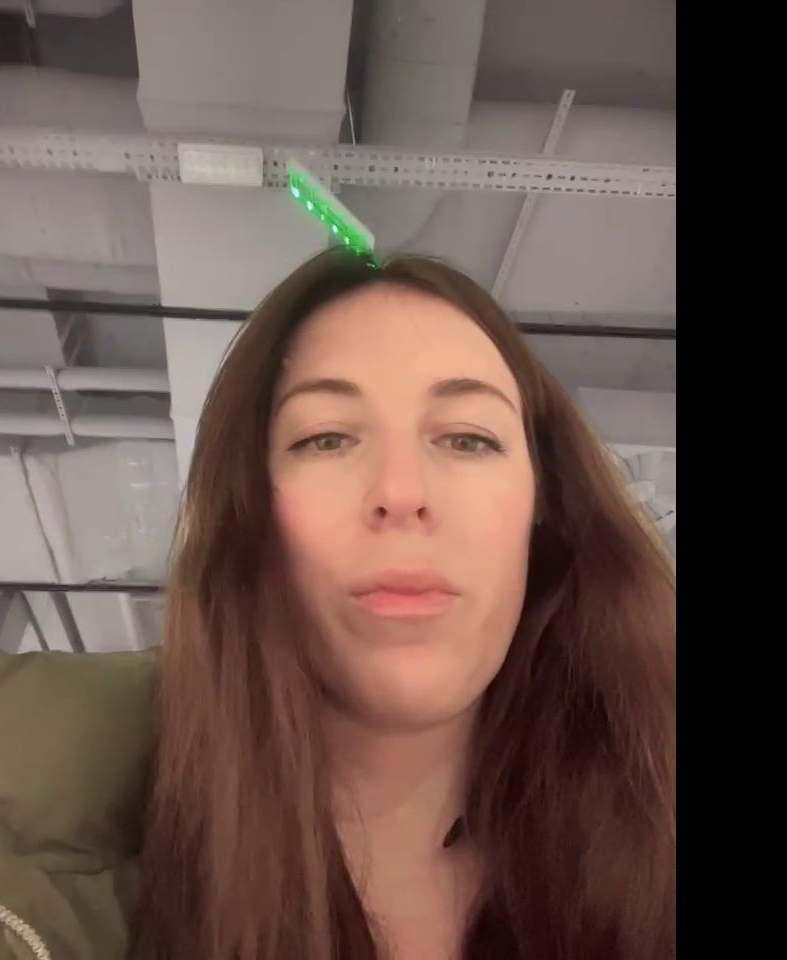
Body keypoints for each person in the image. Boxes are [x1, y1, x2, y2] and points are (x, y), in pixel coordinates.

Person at [128, 250, 676, 960]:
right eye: (326, 438)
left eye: (468, 438)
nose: (401, 491)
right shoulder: (64, 888)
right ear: (251, 510)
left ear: (545, 503)